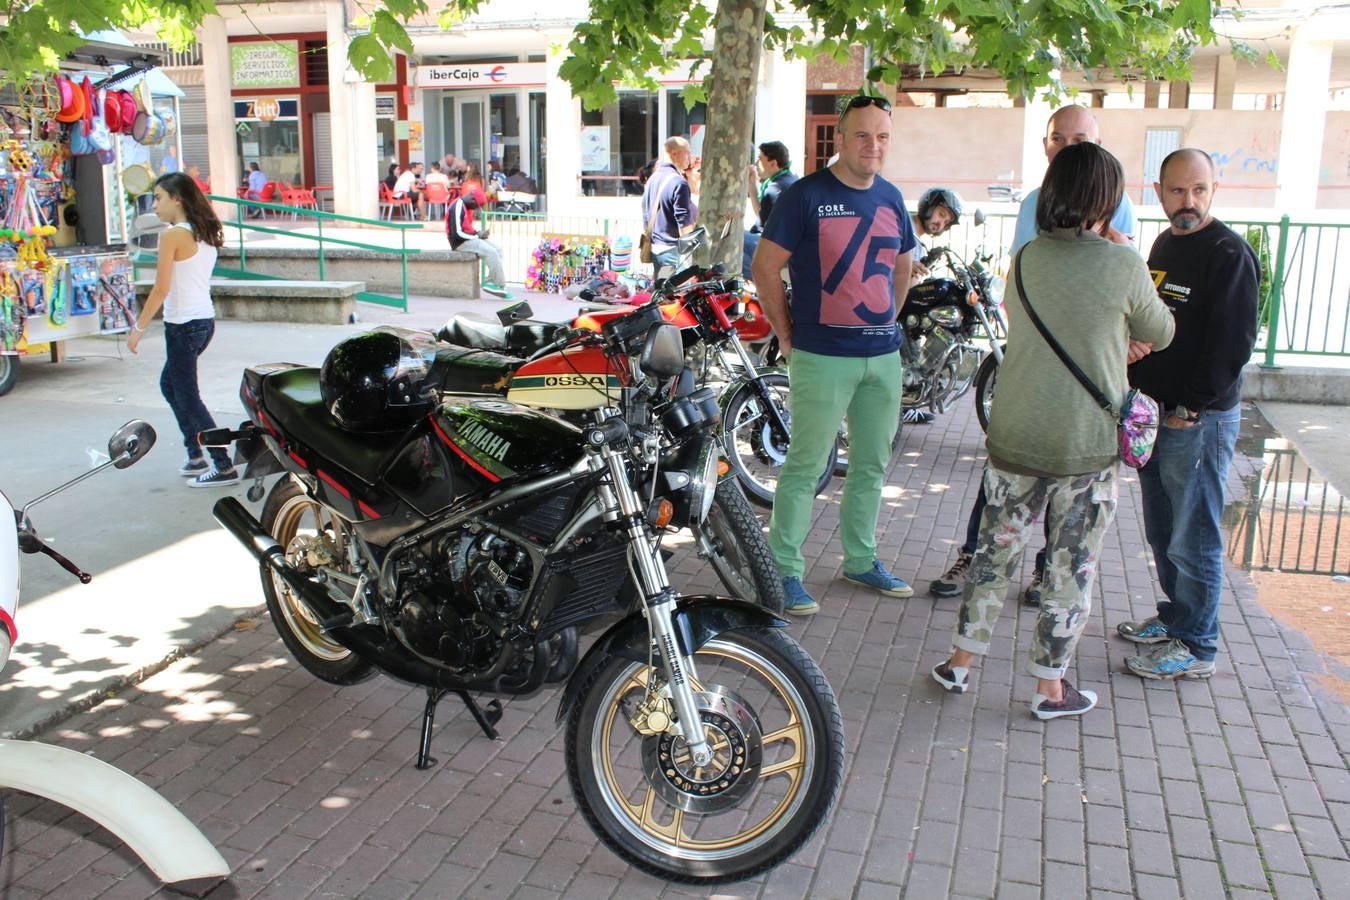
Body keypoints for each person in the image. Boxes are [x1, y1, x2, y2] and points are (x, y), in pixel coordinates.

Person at [929, 142, 1175, 719]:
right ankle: (1049, 690)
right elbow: (1159, 331)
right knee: (1070, 567)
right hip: (1082, 446)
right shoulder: (1123, 263)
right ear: (1106, 201)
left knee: (993, 554)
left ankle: (959, 665)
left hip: (1016, 432)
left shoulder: (1030, 258)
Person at [929, 105, 1138, 602]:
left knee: (1071, 489)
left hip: (1086, 381)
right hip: (1030, 369)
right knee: (1004, 473)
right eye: (1057, 138)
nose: (1067, 148)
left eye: (1080, 138)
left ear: (1099, 144)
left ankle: (1047, 570)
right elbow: (1022, 286)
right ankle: (974, 556)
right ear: (1046, 145)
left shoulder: (1119, 203)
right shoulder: (1033, 204)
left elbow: (1123, 286)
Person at [751, 94, 917, 615]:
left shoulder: (891, 198)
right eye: (863, 135)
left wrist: (886, 323)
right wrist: (785, 333)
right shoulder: (805, 196)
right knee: (806, 465)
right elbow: (764, 267)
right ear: (840, 139)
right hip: (821, 355)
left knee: (870, 463)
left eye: (883, 136)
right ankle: (783, 570)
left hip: (882, 357)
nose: (873, 145)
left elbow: (903, 267)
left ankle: (861, 559)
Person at [1117, 148, 1259, 680]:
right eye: (1177, 191)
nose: (1188, 202)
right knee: (1162, 528)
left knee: (1193, 533)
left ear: (1214, 190)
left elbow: (1232, 345)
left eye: (1198, 191)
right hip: (1155, 415)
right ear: (1159, 192)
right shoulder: (1163, 245)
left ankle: (1197, 646)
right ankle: (1177, 617)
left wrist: (1191, 408)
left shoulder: (1228, 254)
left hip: (1196, 420)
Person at [127, 172, 239, 487]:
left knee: (187, 396)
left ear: (177, 198)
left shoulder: (173, 235)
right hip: (202, 321)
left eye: (159, 197)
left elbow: (160, 289)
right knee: (171, 386)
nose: (155, 204)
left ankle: (221, 464)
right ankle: (195, 454)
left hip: (183, 325)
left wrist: (138, 328)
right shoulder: (204, 230)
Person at [901, 187, 966, 425]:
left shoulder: (920, 244)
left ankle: (909, 399)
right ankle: (903, 401)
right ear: (928, 205)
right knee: (909, 353)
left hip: (904, 306)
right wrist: (907, 264)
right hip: (887, 307)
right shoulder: (904, 227)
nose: (941, 222)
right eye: (941, 213)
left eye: (946, 221)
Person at [742, 141, 798, 280]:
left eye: (760, 159)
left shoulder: (775, 189)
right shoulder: (791, 179)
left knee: (737, 238)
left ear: (773, 164)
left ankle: (754, 284)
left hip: (780, 247)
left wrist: (751, 184)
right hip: (789, 242)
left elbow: (760, 221)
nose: (756, 163)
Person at [642, 137, 696, 275]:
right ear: (675, 154)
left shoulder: (652, 179)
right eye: (687, 153)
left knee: (663, 292)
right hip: (672, 251)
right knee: (675, 294)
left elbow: (645, 213)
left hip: (655, 248)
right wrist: (692, 253)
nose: (690, 157)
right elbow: (684, 222)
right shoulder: (679, 183)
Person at [447, 187, 509, 298]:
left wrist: (479, 233)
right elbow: (456, 233)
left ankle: (490, 280)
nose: (475, 209)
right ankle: (499, 284)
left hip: (467, 239)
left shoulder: (465, 207)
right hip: (459, 243)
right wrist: (476, 236)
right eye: (476, 206)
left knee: (498, 250)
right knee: (491, 252)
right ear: (472, 200)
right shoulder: (457, 207)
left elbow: (467, 229)